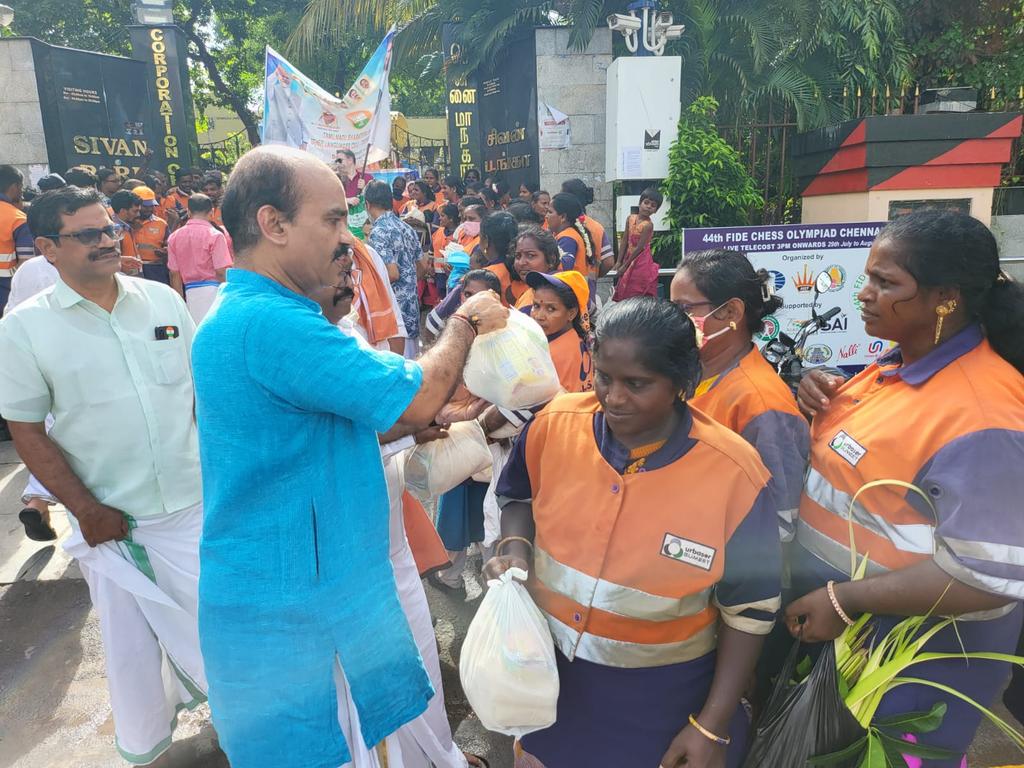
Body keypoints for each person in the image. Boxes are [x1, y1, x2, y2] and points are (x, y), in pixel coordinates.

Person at [190, 145, 507, 767]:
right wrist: (466, 319)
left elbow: (309, 436)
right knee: (320, 741)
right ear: (273, 224)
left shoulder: (266, 314)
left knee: (364, 733)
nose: (347, 238)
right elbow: (414, 400)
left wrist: (406, 429)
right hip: (297, 592)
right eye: (333, 220)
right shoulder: (269, 321)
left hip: (314, 574)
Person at [487, 297, 781, 768]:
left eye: (637, 384)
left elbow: (750, 613)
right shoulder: (554, 425)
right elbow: (516, 495)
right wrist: (516, 548)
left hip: (662, 701)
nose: (614, 398)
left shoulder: (736, 474)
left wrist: (711, 725)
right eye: (604, 376)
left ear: (683, 383)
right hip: (547, 678)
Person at [788, 210, 1024, 766]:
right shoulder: (893, 368)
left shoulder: (985, 416)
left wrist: (843, 600)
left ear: (945, 298)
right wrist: (820, 399)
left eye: (886, 283)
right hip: (848, 645)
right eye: (868, 277)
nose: (864, 294)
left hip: (914, 666)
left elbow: (988, 575)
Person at [0, 186, 208, 765]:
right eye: (86, 235)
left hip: (194, 506)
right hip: (114, 521)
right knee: (132, 651)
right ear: (46, 248)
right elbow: (28, 433)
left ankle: (249, 731)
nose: (107, 241)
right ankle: (152, 747)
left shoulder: (162, 303)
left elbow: (198, 397)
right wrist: (86, 509)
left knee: (225, 634)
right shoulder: (22, 331)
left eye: (108, 228)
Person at [671, 249, 809, 543]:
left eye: (684, 309)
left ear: (731, 313)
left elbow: (780, 523)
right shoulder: (695, 371)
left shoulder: (762, 404)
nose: (674, 320)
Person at [5, 250, 60, 541]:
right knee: (58, 436)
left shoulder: (26, 269)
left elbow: (10, 313)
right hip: (62, 362)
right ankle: (38, 502)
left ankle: (39, 505)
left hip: (26, 358)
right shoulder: (70, 269)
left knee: (42, 433)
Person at [367, 180, 424, 358]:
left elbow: (391, 274)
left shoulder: (379, 232)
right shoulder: (406, 227)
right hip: (412, 311)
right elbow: (422, 266)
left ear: (367, 204)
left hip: (394, 318)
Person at [167, 193, 233, 323]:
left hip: (190, 293)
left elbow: (174, 274)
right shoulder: (216, 235)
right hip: (214, 292)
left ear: (188, 212)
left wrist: (180, 303)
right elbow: (221, 272)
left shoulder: (174, 237)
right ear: (212, 212)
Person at [526, 270, 593, 393]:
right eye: (536, 306)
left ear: (571, 313)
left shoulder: (550, 354)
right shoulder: (576, 338)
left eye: (551, 309)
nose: (539, 316)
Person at [613, 187, 662, 301]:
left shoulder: (648, 225)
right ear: (640, 203)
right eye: (646, 202)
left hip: (641, 260)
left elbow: (640, 247)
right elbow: (625, 239)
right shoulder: (630, 218)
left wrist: (625, 265)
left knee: (636, 288)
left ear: (655, 210)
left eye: (653, 205)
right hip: (629, 256)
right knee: (623, 286)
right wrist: (619, 261)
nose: (648, 206)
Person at [0, 165, 34, 313]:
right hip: (6, 292)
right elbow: (26, 264)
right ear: (15, 186)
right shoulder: (18, 219)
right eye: (21, 187)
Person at [507, 226, 563, 310]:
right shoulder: (563, 284)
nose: (521, 263)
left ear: (551, 259)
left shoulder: (537, 302)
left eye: (530, 255)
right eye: (518, 256)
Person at [546, 192, 596, 276]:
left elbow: (562, 271)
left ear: (563, 217)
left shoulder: (567, 238)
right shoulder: (571, 234)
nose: (546, 216)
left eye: (550, 212)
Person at [132, 186, 171, 284]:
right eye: (145, 206)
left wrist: (165, 250)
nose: (149, 209)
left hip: (156, 269)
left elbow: (168, 244)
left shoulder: (161, 223)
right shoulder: (126, 223)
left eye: (151, 206)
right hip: (133, 269)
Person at [109, 189, 144, 277]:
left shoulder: (129, 226)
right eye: (135, 211)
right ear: (123, 211)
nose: (138, 214)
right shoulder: (114, 231)